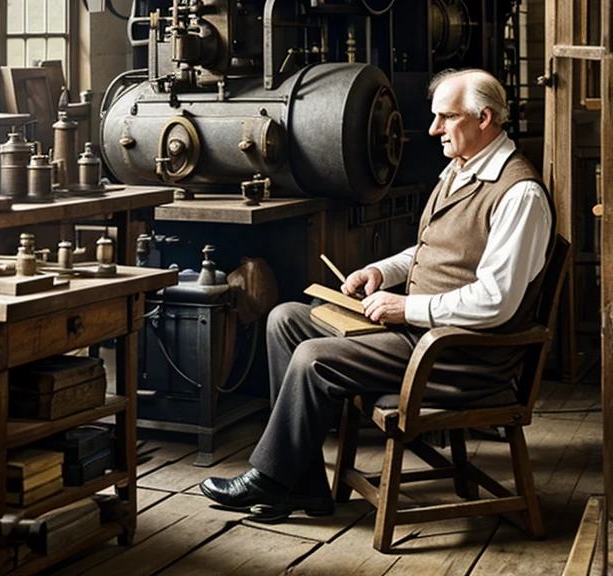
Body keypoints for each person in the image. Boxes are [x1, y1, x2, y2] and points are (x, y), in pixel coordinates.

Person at [200, 68, 554, 521]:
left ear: (484, 118)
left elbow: (497, 301)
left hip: (459, 354)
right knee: (286, 318)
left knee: (312, 357)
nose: (433, 130)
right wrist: (380, 272)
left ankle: (269, 479)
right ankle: (304, 483)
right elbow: (431, 247)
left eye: (446, 118)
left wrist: (408, 307)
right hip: (420, 332)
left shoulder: (520, 194)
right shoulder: (461, 168)